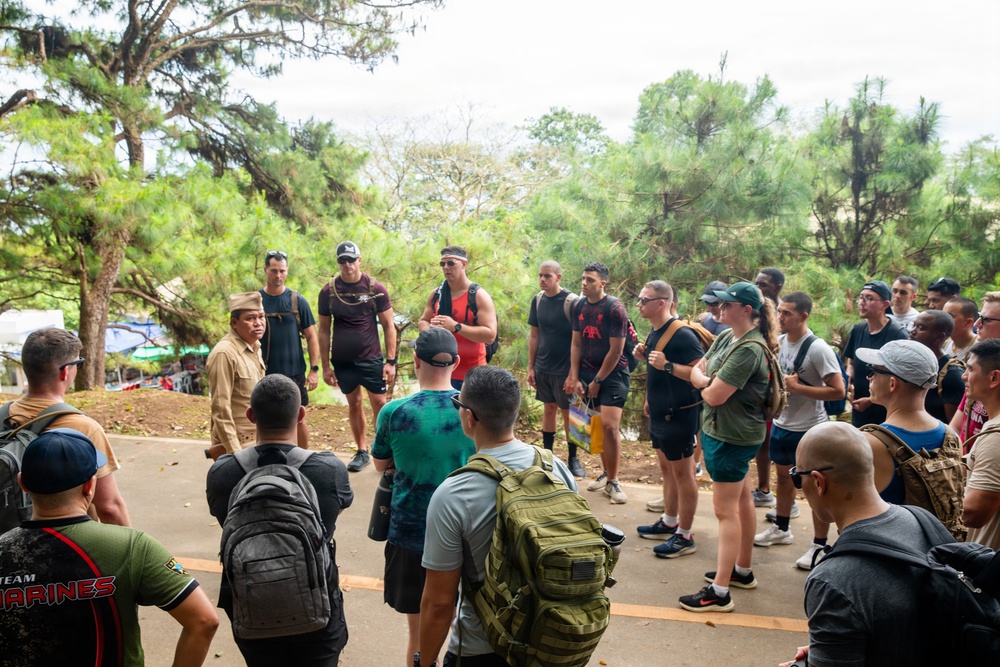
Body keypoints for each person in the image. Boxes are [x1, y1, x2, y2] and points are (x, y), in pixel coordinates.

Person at [0, 429, 218, 665]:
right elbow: (204, 621)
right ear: (89, 486)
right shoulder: (132, 546)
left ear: (22, 483)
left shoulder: (4, 551)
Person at [419, 366, 576, 666]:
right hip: (553, 639)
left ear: (469, 417)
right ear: (514, 413)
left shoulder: (453, 494)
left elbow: (439, 604)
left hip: (483, 648)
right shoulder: (556, 468)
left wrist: (424, 663)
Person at [207, 374, 353, 666]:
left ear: (251, 416)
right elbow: (339, 507)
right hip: (317, 604)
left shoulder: (222, 473)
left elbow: (223, 516)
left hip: (250, 607)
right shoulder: (329, 469)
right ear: (301, 415)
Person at [780, 421, 953, 667]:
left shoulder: (832, 580)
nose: (800, 487)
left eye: (797, 477)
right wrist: (832, 645)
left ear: (819, 481)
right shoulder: (921, 519)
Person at [371, 328, 475, 663]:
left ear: (415, 360)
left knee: (418, 633)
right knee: (466, 620)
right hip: (466, 535)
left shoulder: (394, 412)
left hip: (411, 534)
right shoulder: (471, 410)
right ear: (457, 362)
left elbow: (379, 463)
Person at [682, 282, 775, 612]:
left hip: (731, 437)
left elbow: (712, 394)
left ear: (747, 310)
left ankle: (719, 592)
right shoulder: (726, 337)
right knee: (742, 499)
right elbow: (700, 369)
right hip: (723, 431)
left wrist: (703, 382)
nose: (719, 308)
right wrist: (703, 379)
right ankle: (742, 570)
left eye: (727, 304)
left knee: (725, 512)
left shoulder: (749, 349)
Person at [754, 293, 845, 571]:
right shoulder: (779, 343)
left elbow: (838, 390)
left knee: (815, 488)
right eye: (779, 312)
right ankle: (782, 528)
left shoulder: (818, 349)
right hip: (783, 424)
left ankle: (819, 543)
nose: (780, 318)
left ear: (804, 316)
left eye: (787, 314)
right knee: (782, 479)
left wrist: (799, 388)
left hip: (810, 428)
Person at [4, 328, 130, 526]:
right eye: (79, 363)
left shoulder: (3, 416)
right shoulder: (83, 428)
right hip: (68, 545)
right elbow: (109, 508)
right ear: (66, 371)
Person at [633, 280, 705, 558]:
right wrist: (650, 394)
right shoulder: (655, 332)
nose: (639, 304)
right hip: (661, 412)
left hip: (680, 415)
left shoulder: (682, 335)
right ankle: (669, 520)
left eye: (644, 300)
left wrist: (668, 365)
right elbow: (658, 369)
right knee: (667, 470)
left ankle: (685, 536)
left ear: (661, 303)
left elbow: (701, 375)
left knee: (684, 475)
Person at [317, 241, 398, 472]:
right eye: (342, 260)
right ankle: (361, 451)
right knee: (353, 403)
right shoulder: (329, 291)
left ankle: (384, 451)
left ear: (359, 260)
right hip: (343, 361)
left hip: (371, 358)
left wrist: (390, 361)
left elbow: (389, 326)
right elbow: (323, 330)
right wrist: (324, 366)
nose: (347, 264)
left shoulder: (375, 288)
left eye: (351, 259)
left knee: (380, 404)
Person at [855, 340, 955, 506]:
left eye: (873, 371)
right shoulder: (950, 435)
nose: (869, 377)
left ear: (892, 383)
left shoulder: (871, 443)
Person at [563, 261, 631, 504]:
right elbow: (576, 343)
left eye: (590, 280)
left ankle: (614, 481)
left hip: (613, 375)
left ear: (603, 283)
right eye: (583, 278)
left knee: (611, 426)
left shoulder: (615, 309)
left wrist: (599, 380)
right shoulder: (579, 305)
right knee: (596, 427)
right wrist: (575, 376)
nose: (584, 283)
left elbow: (616, 351)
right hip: (587, 374)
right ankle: (606, 473)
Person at [527, 260, 585, 478]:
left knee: (570, 413)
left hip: (565, 369)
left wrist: (574, 372)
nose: (543, 279)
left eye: (548, 276)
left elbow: (579, 340)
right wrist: (531, 366)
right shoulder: (538, 300)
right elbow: (534, 335)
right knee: (548, 409)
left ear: (558, 277)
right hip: (543, 366)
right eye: (540, 275)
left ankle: (573, 459)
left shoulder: (572, 302)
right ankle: (547, 456)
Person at [259, 250, 321, 448]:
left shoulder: (297, 300)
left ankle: (303, 458)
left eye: (282, 271)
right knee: (263, 419)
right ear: (265, 270)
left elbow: (312, 336)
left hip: (294, 373)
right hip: (263, 372)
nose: (278, 275)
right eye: (274, 270)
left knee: (299, 417)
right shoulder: (256, 301)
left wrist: (314, 369)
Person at [419, 245, 498, 391]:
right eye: (442, 264)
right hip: (440, 371)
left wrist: (456, 327)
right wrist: (430, 331)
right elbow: (423, 320)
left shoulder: (478, 296)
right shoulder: (436, 294)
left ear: (464, 264)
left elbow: (490, 336)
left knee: (468, 413)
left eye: (451, 263)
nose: (446, 267)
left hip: (472, 373)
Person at [206, 291, 267, 460]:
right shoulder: (224, 353)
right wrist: (235, 453)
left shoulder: (255, 347)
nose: (258, 323)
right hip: (237, 444)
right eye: (250, 318)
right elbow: (220, 408)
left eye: (261, 317)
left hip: (257, 439)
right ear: (234, 323)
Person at [842, 280, 908, 428]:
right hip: (859, 408)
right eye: (861, 297)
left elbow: (902, 379)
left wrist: (871, 400)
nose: (862, 302)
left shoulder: (897, 334)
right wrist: (848, 378)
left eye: (870, 298)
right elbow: (851, 362)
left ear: (885, 305)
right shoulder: (858, 329)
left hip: (886, 412)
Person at [751, 268, 786, 508]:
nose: (759, 288)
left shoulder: (786, 312)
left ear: (777, 288)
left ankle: (786, 495)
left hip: (778, 388)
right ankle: (764, 488)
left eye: (763, 284)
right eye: (756, 283)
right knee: (762, 442)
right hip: (759, 385)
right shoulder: (755, 311)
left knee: (778, 445)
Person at [961, 339, 1000, 549]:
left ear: (994, 378)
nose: (964, 376)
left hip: (989, 569)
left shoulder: (996, 436)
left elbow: (973, 513)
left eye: (970, 369)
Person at [950, 292, 1000, 450]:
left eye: (987, 319)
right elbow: (956, 427)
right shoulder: (980, 362)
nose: (977, 324)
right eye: (980, 316)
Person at [909, 310, 965, 422]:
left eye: (921, 328)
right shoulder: (913, 363)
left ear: (939, 336)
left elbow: (955, 427)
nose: (912, 331)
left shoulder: (952, 375)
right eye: (913, 325)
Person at [943, 297, 978, 362]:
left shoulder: (978, 350)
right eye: (943, 315)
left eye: (949, 316)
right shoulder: (945, 343)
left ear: (968, 322)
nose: (943, 320)